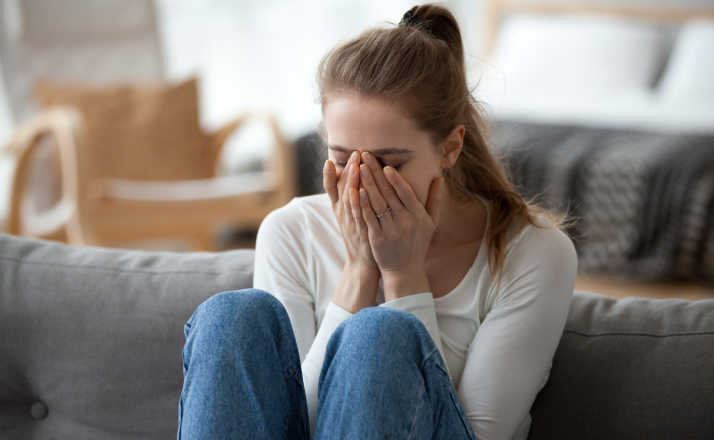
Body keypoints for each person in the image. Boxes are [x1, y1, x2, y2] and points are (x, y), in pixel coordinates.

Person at [177, 4, 577, 439]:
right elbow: (292, 423)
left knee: (380, 335)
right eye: (342, 159)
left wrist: (405, 277)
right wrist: (359, 272)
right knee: (231, 315)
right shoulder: (292, 231)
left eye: (388, 163)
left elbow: (484, 434)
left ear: (450, 148)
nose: (361, 185)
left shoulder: (534, 252)